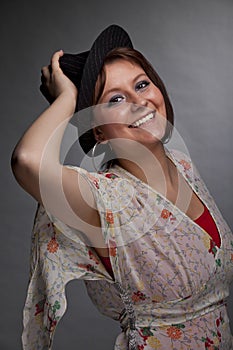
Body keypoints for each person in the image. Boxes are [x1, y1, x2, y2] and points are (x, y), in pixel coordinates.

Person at [11, 25, 233, 350]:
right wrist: (67, 98)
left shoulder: (183, 166)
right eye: (116, 99)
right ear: (98, 131)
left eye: (142, 84)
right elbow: (27, 160)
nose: (139, 100)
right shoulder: (102, 201)